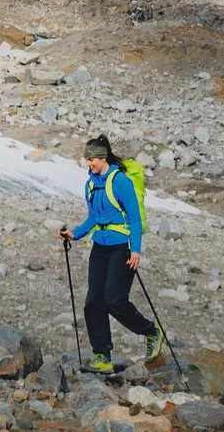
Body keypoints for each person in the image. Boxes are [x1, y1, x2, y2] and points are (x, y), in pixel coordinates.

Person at [59, 134, 161, 373]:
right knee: (93, 302)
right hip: (100, 247)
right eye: (86, 159)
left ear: (102, 157)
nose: (88, 164)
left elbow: (134, 218)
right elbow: (94, 217)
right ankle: (102, 356)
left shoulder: (121, 181)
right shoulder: (91, 184)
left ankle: (151, 332)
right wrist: (74, 234)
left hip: (121, 247)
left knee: (114, 300)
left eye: (91, 159)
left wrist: (135, 249)